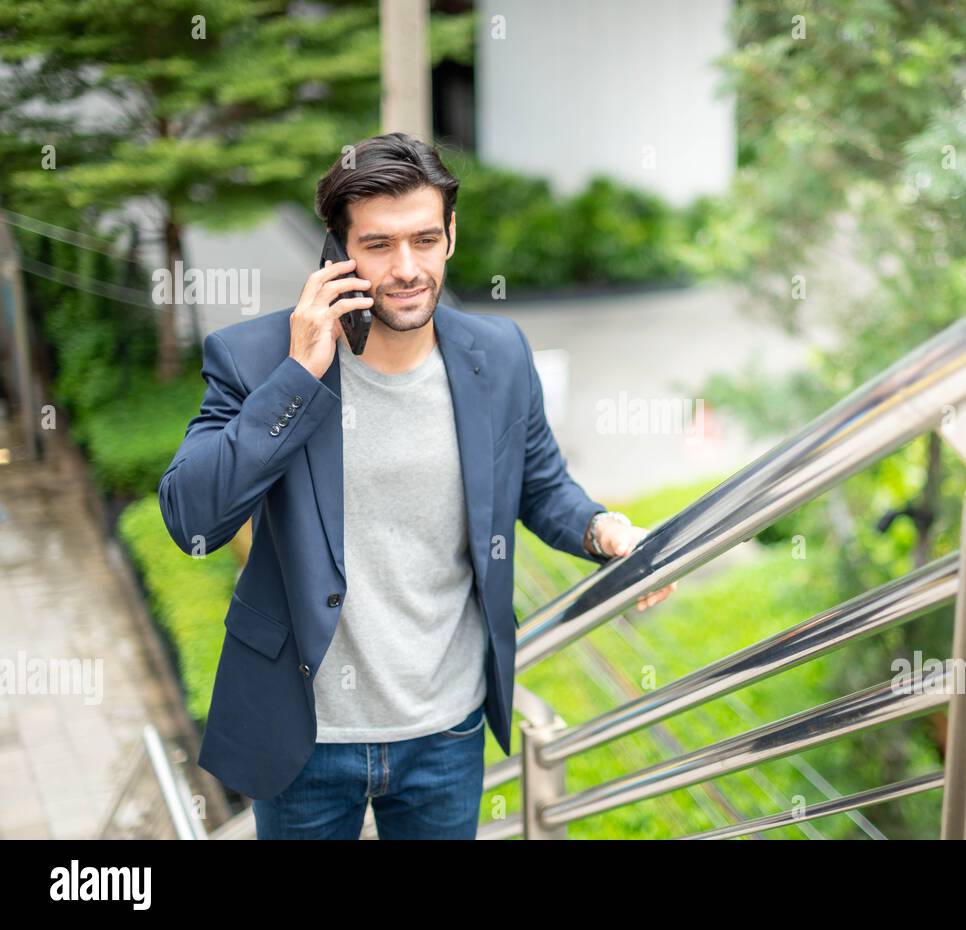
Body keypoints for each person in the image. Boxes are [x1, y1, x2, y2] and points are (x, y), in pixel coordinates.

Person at [157, 132, 677, 839]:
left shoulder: (497, 354)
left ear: (452, 236)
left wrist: (601, 528)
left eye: (425, 239)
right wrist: (297, 377)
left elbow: (541, 486)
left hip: (446, 731)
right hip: (306, 736)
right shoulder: (255, 358)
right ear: (337, 252)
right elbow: (192, 519)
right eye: (378, 245)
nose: (407, 268)